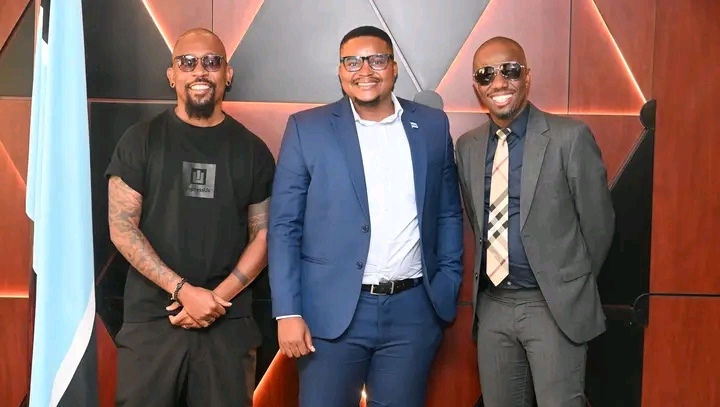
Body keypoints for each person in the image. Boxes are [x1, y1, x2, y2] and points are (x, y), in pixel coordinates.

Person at [267, 25, 464, 407]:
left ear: (394, 68)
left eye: (376, 60)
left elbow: (448, 213)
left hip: (413, 312)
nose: (365, 71)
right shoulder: (307, 128)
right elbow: (284, 226)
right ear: (340, 71)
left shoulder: (432, 126)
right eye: (353, 62)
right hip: (331, 314)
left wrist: (448, 280)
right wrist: (287, 311)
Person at [105, 28, 275, 407]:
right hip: (152, 322)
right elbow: (122, 227)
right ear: (172, 75)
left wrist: (214, 300)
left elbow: (264, 235)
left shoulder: (252, 151)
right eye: (187, 62)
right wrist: (183, 291)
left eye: (212, 62)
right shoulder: (140, 140)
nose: (200, 71)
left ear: (227, 74)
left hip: (227, 323)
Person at [455, 36, 615, 407]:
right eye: (486, 74)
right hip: (493, 306)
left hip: (553, 306)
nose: (498, 82)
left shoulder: (569, 138)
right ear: (477, 86)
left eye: (509, 70)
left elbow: (599, 226)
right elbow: (477, 222)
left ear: (527, 76)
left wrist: (567, 284)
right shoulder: (467, 146)